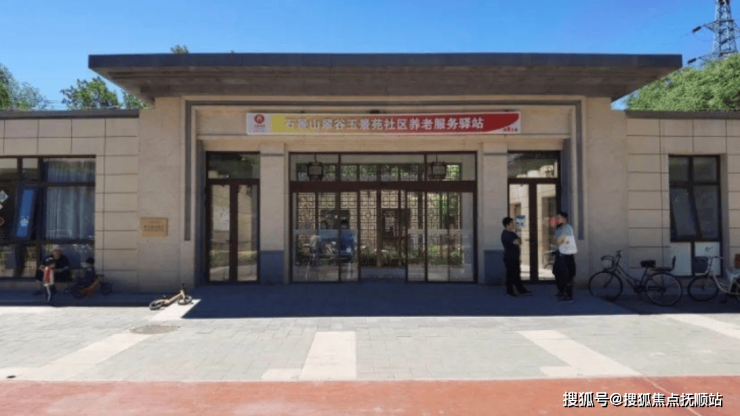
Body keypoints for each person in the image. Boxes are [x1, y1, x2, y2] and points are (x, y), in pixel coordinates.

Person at [501, 217, 531, 298]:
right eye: (511, 223)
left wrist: (518, 239)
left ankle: (521, 290)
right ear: (507, 225)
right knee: (510, 275)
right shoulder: (505, 234)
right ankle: (509, 292)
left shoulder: (512, 233)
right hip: (509, 258)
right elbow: (517, 241)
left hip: (515, 257)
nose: (513, 224)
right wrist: (518, 239)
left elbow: (520, 242)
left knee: (517, 274)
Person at [552, 212, 577, 303]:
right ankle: (561, 292)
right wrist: (558, 241)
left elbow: (558, 241)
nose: (557, 220)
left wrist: (558, 241)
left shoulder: (568, 228)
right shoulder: (558, 228)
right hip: (559, 254)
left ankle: (569, 296)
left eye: (559, 218)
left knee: (567, 275)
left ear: (565, 219)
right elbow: (554, 241)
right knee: (557, 273)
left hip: (567, 255)